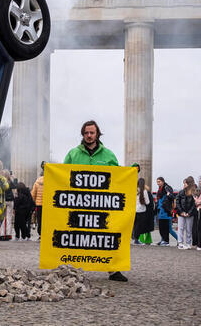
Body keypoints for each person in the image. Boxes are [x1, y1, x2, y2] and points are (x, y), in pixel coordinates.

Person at [64, 120, 127, 282]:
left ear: (97, 134)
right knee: (75, 236)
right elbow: (62, 175)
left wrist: (132, 170)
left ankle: (113, 270)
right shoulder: (73, 154)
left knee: (105, 236)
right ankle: (70, 269)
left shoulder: (108, 155)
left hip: (101, 206)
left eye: (92, 133)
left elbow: (119, 176)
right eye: (86, 133)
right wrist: (48, 170)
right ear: (82, 134)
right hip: (79, 204)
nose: (89, 136)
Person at [176, 177, 197, 250]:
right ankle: (180, 243)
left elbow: (194, 205)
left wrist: (189, 213)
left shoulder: (194, 192)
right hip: (181, 213)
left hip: (189, 214)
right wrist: (181, 212)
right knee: (180, 228)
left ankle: (188, 243)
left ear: (188, 184)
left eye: (185, 183)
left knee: (189, 229)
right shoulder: (181, 192)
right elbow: (177, 202)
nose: (183, 184)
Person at [155, 177, 174, 246]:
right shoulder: (159, 189)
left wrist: (169, 195)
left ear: (163, 181)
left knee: (166, 227)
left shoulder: (166, 187)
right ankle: (163, 239)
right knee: (161, 226)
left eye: (159, 181)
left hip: (166, 209)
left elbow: (172, 197)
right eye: (157, 182)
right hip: (160, 209)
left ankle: (166, 241)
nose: (158, 183)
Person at [132, 177, 152, 245]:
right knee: (139, 226)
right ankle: (136, 240)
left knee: (134, 225)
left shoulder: (134, 190)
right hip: (141, 211)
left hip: (134, 210)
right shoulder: (144, 191)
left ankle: (134, 238)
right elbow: (147, 202)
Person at [31, 171, 44, 240]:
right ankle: (45, 232)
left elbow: (33, 194)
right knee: (46, 219)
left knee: (39, 219)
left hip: (39, 204)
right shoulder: (50, 181)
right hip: (47, 204)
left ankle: (40, 233)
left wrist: (34, 202)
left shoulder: (37, 183)